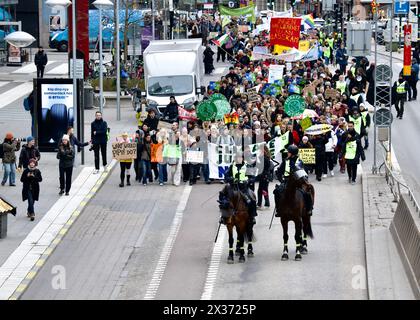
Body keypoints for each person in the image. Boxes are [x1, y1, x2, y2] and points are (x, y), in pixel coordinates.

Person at [275, 145, 313, 216]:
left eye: (288, 152)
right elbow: (279, 171)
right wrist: (281, 180)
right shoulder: (285, 161)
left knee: (306, 193)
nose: (287, 154)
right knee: (277, 191)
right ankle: (278, 209)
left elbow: (302, 172)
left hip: (298, 181)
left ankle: (309, 209)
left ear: (292, 153)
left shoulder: (299, 161)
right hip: (286, 181)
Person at [222, 152, 257, 225]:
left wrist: (248, 181)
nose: (239, 159)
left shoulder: (248, 166)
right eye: (237, 157)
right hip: (233, 187)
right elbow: (226, 176)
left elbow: (253, 177)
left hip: (244, 188)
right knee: (224, 199)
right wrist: (231, 179)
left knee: (252, 199)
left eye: (240, 157)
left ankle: (252, 216)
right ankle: (223, 216)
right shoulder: (232, 166)